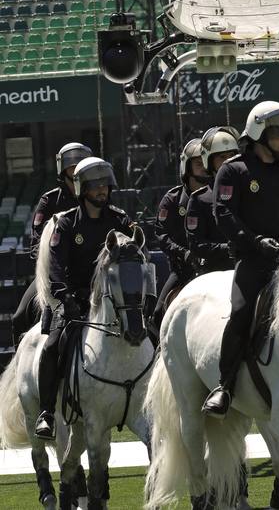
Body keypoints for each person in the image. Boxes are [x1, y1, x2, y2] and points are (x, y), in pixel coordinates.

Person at [201, 101, 279, 417]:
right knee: (240, 312)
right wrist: (254, 243)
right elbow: (222, 212)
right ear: (259, 132)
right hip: (254, 262)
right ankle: (224, 386)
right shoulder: (233, 170)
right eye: (278, 133)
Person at [34, 157, 132, 440]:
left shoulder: (120, 220)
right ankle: (46, 414)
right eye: (95, 185)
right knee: (53, 346)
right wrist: (64, 296)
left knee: (149, 332)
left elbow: (136, 255)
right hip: (75, 299)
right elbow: (54, 265)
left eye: (105, 184)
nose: (102, 190)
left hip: (114, 299)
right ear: (82, 189)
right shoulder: (65, 224)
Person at [11, 142, 93, 348]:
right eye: (72, 167)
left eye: (82, 166)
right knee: (20, 317)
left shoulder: (97, 198)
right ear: (63, 170)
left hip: (91, 272)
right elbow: (36, 244)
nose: (77, 171)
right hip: (55, 275)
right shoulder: (49, 201)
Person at [151, 137, 210, 334]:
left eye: (205, 162)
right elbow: (161, 234)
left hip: (215, 265)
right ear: (186, 167)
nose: (202, 167)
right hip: (183, 269)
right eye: (197, 163)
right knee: (158, 313)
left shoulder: (218, 194)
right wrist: (184, 253)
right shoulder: (172, 200)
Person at [185, 127, 240, 275]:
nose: (228, 161)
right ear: (209, 161)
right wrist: (226, 248)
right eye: (221, 157)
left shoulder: (249, 192)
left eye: (232, 155)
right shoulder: (199, 199)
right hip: (215, 271)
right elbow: (196, 244)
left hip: (250, 265)